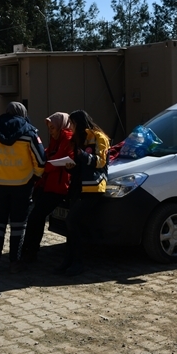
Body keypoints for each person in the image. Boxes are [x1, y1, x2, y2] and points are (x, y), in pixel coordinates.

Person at [0, 102, 45, 274]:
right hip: (22, 186)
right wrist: (35, 176)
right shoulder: (30, 132)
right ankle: (15, 262)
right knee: (18, 226)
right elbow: (40, 160)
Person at [55, 110, 110, 277]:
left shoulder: (99, 137)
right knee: (71, 224)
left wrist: (84, 155)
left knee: (72, 221)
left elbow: (101, 162)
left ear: (79, 122)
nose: (70, 127)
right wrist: (69, 166)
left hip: (93, 188)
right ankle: (69, 260)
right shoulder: (77, 139)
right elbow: (80, 164)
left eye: (72, 123)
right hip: (77, 186)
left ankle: (78, 262)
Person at [21, 112, 74, 264]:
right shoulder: (56, 140)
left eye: (53, 127)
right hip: (48, 186)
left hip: (57, 188)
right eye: (49, 127)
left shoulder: (67, 138)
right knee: (36, 219)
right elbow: (47, 154)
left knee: (35, 218)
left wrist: (43, 164)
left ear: (61, 126)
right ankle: (30, 251)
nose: (50, 130)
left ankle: (29, 251)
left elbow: (57, 160)